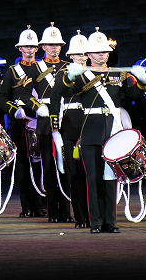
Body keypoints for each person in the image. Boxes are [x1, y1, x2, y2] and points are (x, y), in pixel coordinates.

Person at [57, 27, 146, 234]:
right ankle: (95, 222)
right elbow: (64, 92)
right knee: (93, 179)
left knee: (110, 179)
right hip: (90, 132)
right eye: (97, 52)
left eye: (105, 51)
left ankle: (110, 221)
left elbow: (134, 94)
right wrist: (69, 76)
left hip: (113, 131)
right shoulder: (82, 75)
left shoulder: (118, 74)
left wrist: (142, 81)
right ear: (88, 54)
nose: (102, 55)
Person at [23, 22, 72, 223]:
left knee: (67, 167)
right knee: (49, 167)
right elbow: (25, 94)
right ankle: (53, 211)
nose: (54, 48)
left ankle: (66, 210)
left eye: (57, 45)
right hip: (44, 122)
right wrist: (36, 107)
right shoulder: (35, 68)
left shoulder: (68, 67)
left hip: (66, 119)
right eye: (50, 45)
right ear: (42, 47)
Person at [0, 25, 45, 218]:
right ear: (20, 49)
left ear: (37, 49)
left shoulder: (43, 69)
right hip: (20, 124)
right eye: (26, 47)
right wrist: (13, 110)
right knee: (23, 166)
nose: (30, 50)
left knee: (40, 165)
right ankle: (27, 206)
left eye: (32, 47)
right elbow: (1, 97)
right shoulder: (12, 72)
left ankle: (41, 204)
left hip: (39, 121)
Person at [49, 30, 90, 228]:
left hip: (91, 126)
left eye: (85, 54)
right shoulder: (63, 75)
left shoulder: (94, 74)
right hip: (71, 129)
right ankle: (81, 216)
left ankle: (93, 215)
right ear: (71, 56)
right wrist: (55, 129)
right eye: (78, 54)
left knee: (92, 174)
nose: (82, 57)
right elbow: (55, 100)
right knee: (76, 175)